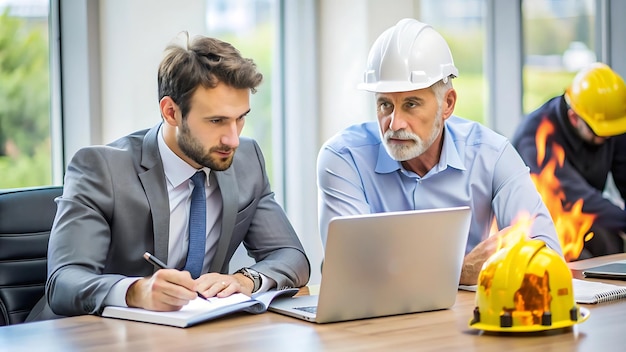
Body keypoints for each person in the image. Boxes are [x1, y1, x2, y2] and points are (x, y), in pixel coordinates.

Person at [27, 32, 310, 321]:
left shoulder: (246, 160)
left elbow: (291, 256)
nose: (233, 138)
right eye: (216, 121)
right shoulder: (101, 168)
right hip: (86, 335)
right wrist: (136, 291)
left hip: (189, 335)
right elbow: (63, 282)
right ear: (171, 112)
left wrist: (245, 280)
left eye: (240, 118)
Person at [316, 18, 562, 285]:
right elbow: (353, 272)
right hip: (374, 324)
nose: (395, 124)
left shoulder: (492, 155)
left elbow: (547, 256)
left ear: (448, 103)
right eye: (385, 105)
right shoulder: (343, 158)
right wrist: (459, 270)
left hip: (466, 321)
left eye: (411, 104)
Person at [512, 62, 626, 258]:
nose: (607, 139)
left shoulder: (606, 123)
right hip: (542, 228)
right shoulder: (536, 136)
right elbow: (574, 197)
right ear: (574, 118)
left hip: (585, 221)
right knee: (582, 258)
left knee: (612, 244)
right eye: (600, 134)